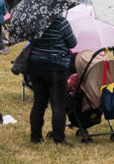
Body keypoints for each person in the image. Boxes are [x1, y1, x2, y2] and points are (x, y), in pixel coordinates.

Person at [27, 10, 77, 146]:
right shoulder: (61, 22)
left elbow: (30, 39)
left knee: (39, 102)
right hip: (56, 66)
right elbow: (72, 43)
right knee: (58, 104)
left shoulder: (36, 21)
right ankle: (59, 139)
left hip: (36, 64)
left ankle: (35, 137)